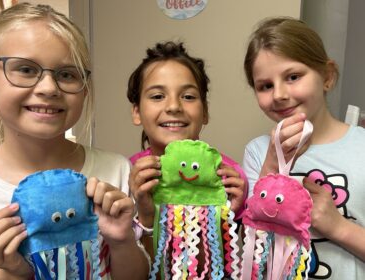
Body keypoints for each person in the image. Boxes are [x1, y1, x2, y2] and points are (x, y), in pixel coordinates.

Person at [0, 3, 148, 279]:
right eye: (25, 69)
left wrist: (121, 241)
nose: (48, 88)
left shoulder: (116, 171)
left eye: (67, 74)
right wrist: (12, 272)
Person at [242, 17, 365, 279]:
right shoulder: (257, 152)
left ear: (328, 77)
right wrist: (272, 166)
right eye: (265, 86)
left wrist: (338, 227)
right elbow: (252, 247)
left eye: (293, 77)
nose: (278, 94)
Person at [126, 41, 247, 263]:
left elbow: (228, 263)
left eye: (188, 96)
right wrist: (145, 214)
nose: (174, 107)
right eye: (157, 96)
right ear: (136, 112)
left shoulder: (228, 177)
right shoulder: (127, 175)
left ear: (205, 112)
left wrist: (227, 215)